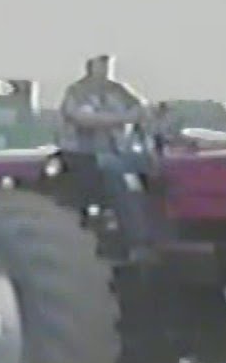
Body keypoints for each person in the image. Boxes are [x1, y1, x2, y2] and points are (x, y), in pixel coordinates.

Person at [59, 54, 155, 258]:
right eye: (100, 63)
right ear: (89, 65)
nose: (105, 67)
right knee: (118, 176)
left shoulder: (118, 90)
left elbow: (141, 109)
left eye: (107, 62)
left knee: (156, 168)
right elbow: (83, 118)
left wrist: (139, 114)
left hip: (119, 150)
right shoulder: (78, 91)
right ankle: (137, 242)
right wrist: (122, 118)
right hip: (84, 154)